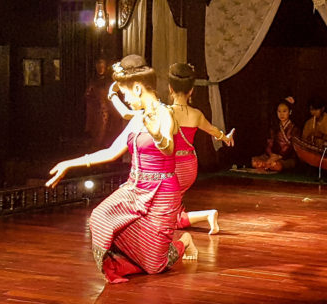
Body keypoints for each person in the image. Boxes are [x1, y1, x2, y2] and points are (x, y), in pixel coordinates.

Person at [45, 55, 196, 284]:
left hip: (162, 193)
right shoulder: (137, 118)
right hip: (135, 188)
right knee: (100, 217)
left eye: (126, 94)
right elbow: (111, 152)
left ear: (137, 88)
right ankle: (134, 254)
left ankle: (183, 241)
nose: (126, 98)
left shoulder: (165, 114)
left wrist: (157, 137)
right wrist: (69, 164)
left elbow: (169, 146)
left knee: (154, 267)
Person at [109, 63, 234, 234]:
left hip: (172, 168)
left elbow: (127, 114)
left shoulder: (164, 111)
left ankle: (202, 219)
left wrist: (112, 95)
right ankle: (207, 215)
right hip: (190, 167)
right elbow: (213, 131)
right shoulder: (196, 114)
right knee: (168, 213)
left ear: (170, 89)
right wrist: (225, 137)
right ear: (191, 91)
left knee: (162, 215)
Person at [252, 97, 301, 172]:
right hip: (273, 155)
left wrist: (279, 156)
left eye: (284, 111)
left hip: (286, 157)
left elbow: (292, 147)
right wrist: (271, 154)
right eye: (279, 111)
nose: (281, 114)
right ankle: (267, 164)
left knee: (277, 165)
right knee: (254, 161)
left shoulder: (294, 129)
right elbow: (269, 143)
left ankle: (268, 165)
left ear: (290, 112)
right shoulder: (275, 126)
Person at [85, 58, 123, 149]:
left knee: (111, 132)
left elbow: (118, 94)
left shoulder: (111, 81)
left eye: (102, 67)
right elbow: (88, 95)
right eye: (98, 67)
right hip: (99, 111)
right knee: (98, 132)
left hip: (112, 110)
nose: (100, 69)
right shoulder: (94, 81)